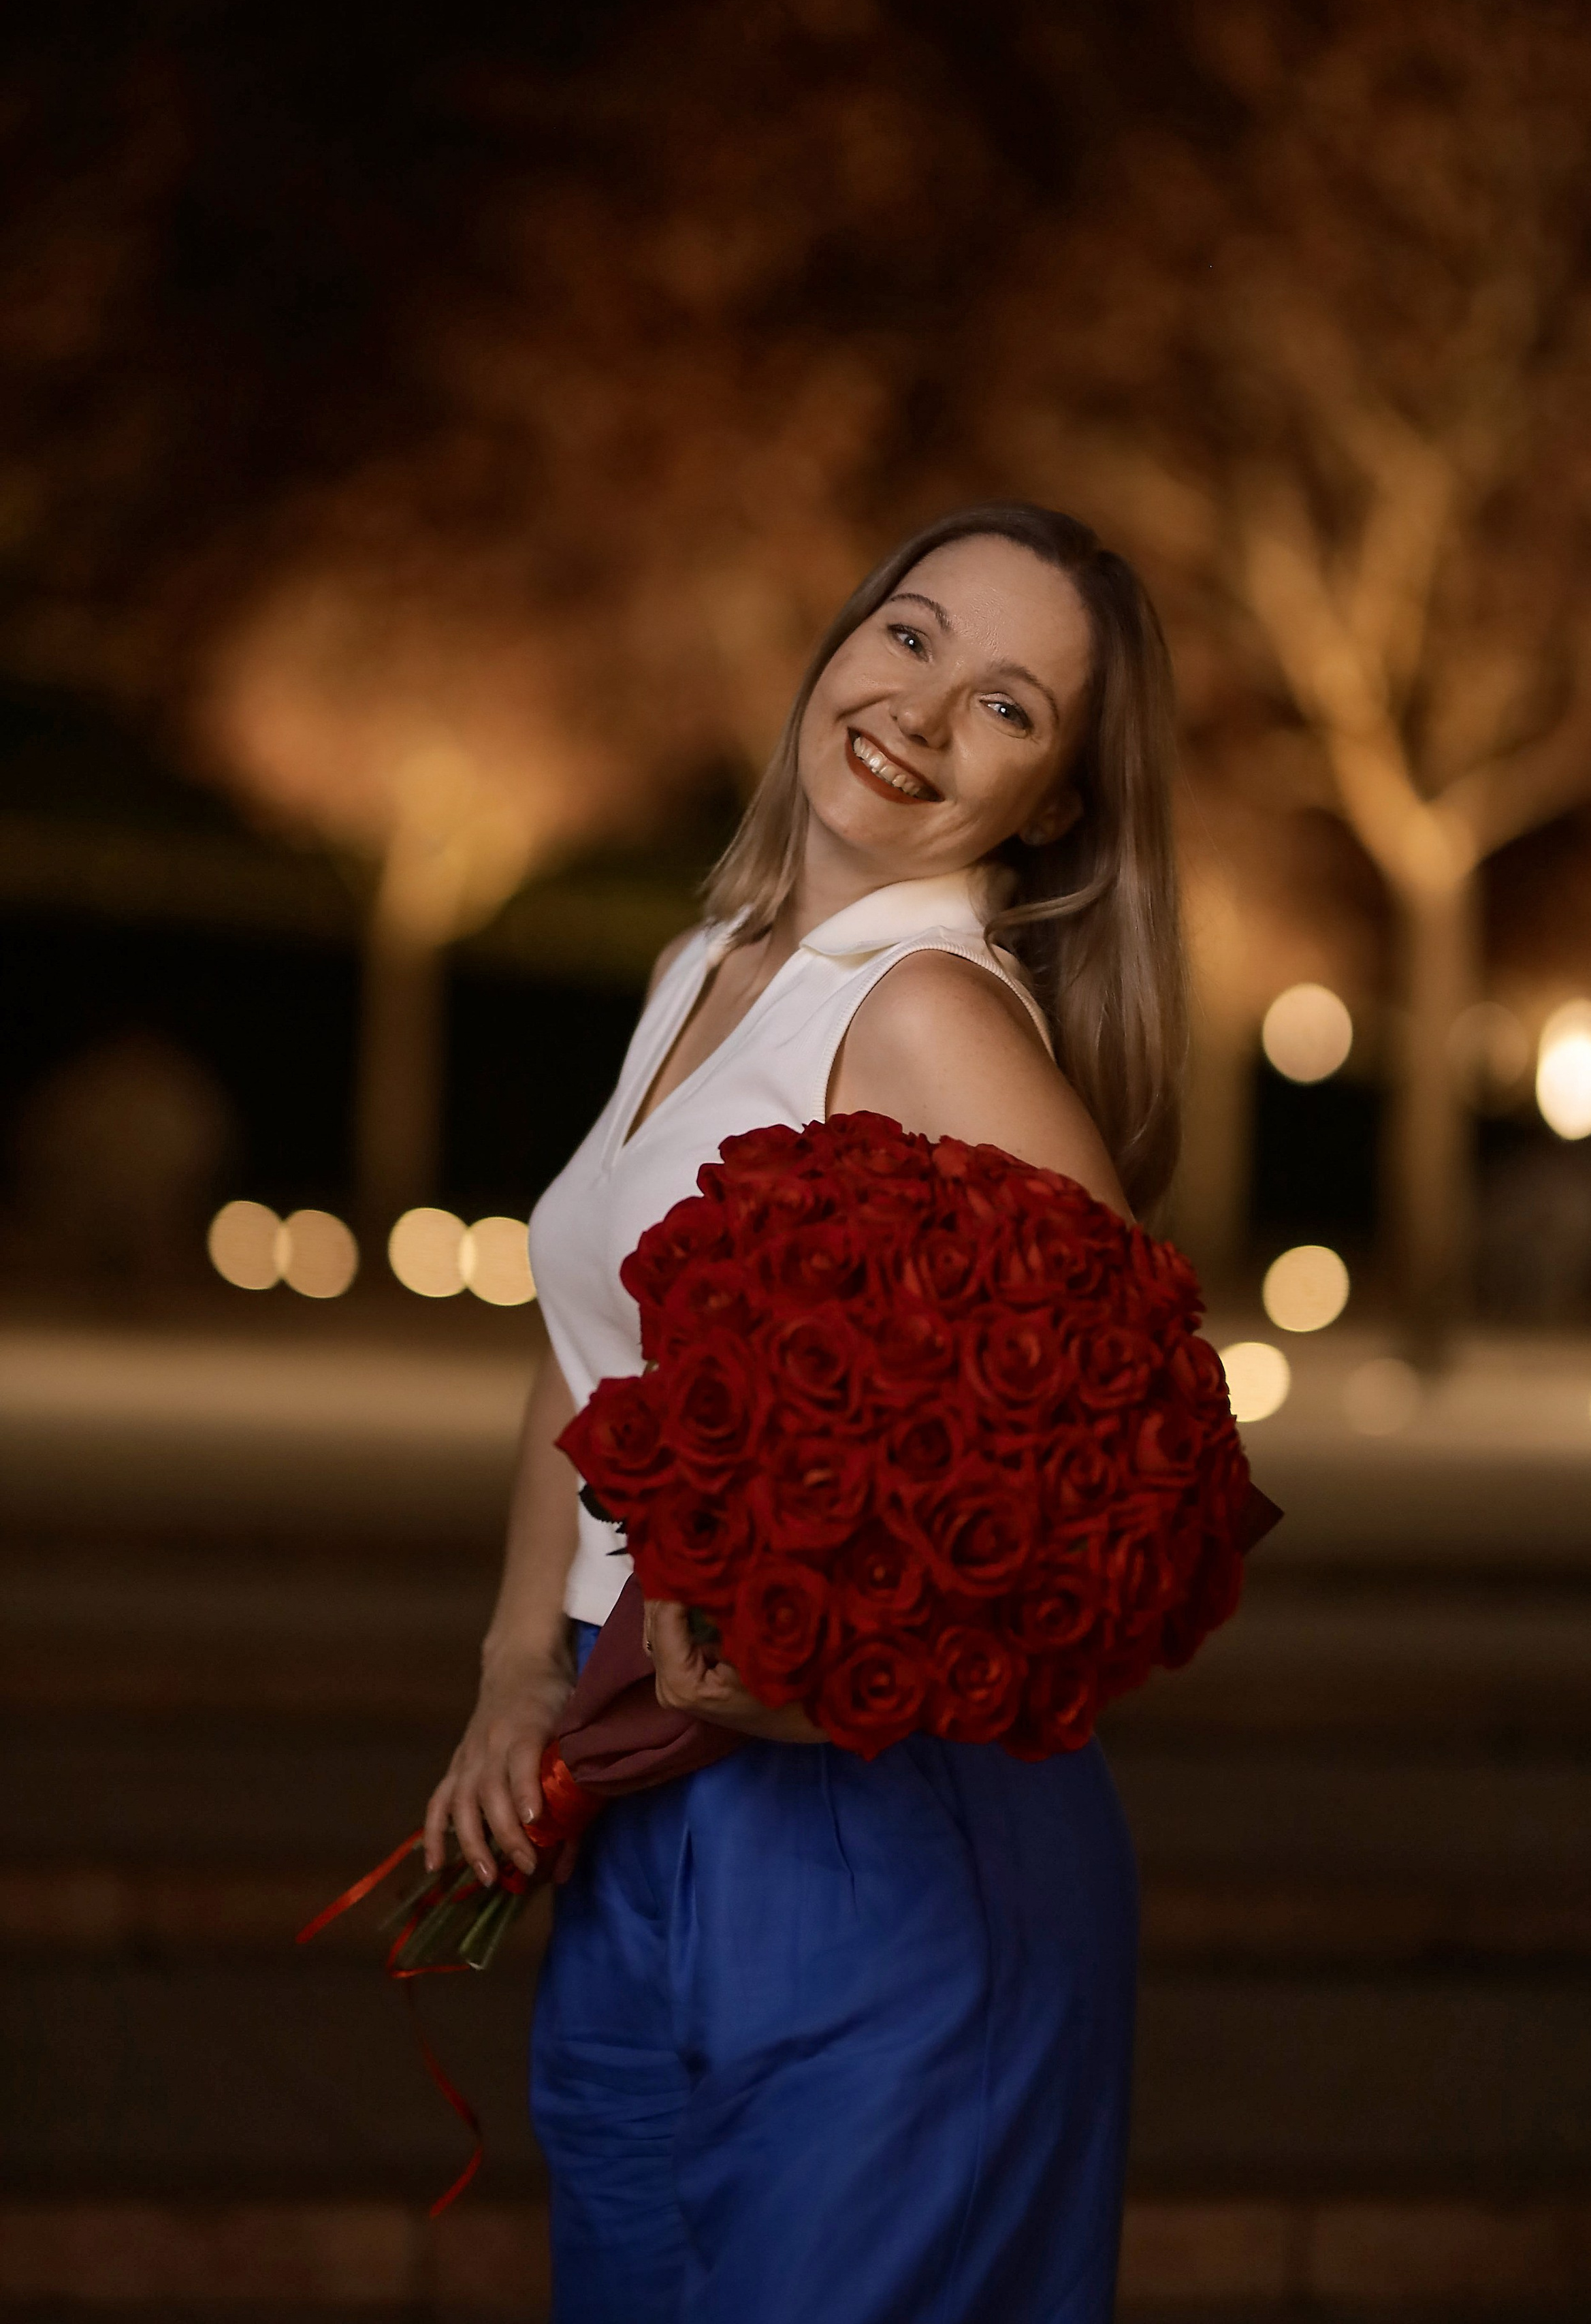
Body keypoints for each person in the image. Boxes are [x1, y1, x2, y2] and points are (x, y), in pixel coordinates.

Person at [423, 501, 1188, 2324]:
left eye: (1007, 706)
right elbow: (587, 1343)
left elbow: (1133, 1452)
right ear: (845, 639)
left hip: (885, 1834)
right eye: (911, 636)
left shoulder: (934, 1015)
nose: (919, 713)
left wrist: (834, 1661)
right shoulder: (717, 961)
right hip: (648, 1789)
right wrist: (518, 1665)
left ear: (1061, 803)